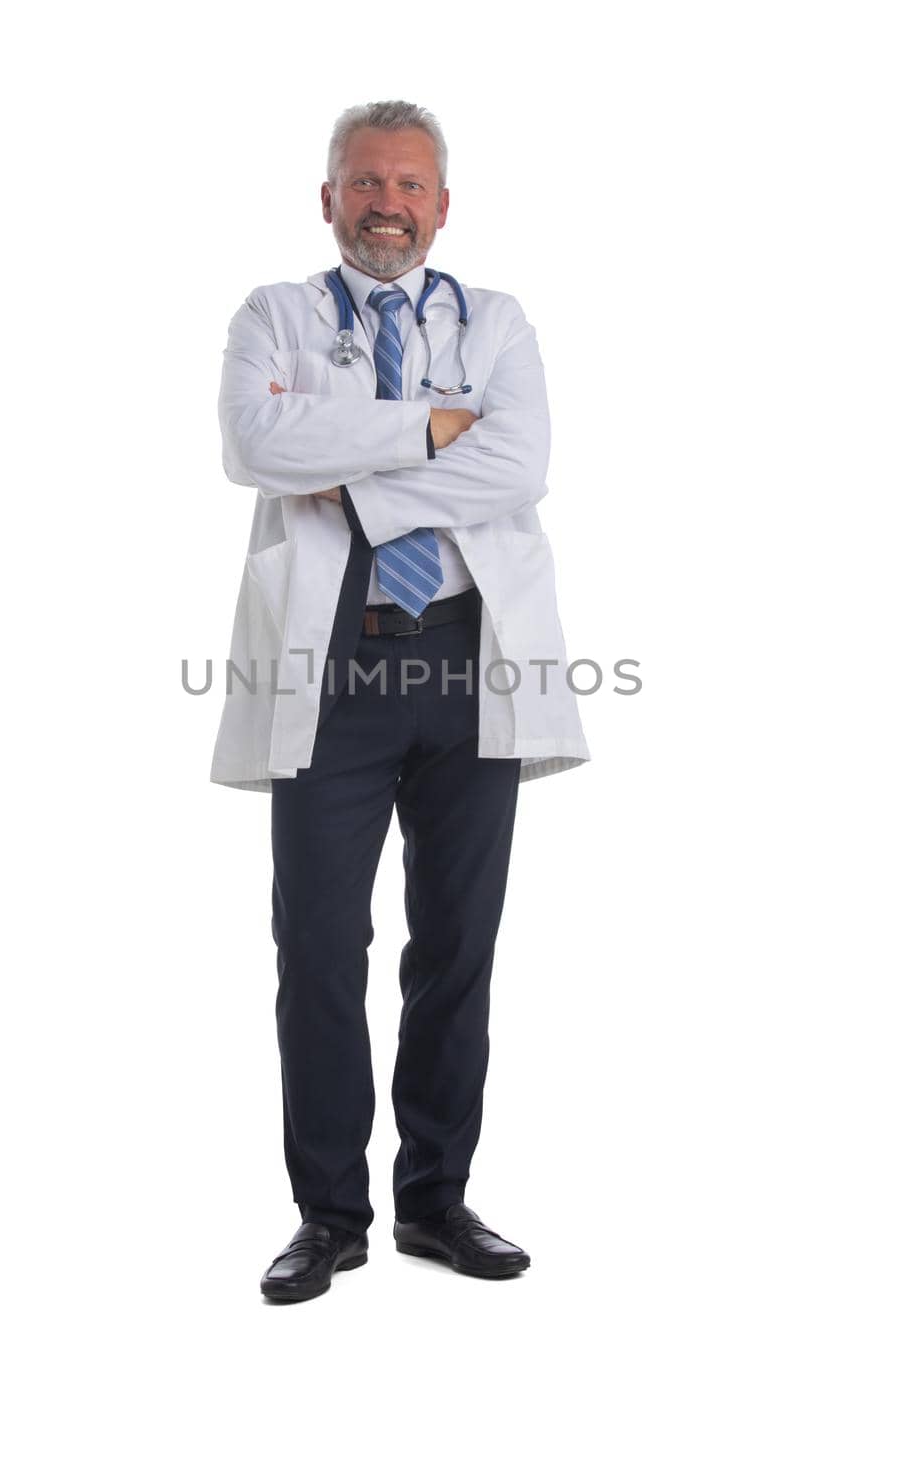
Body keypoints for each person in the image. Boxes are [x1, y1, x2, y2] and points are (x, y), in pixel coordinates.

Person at [210, 100, 590, 1303]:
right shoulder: (272, 314)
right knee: (318, 950)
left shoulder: (499, 320)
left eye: (409, 185)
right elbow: (255, 444)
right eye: (363, 181)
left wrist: (359, 478)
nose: (387, 203)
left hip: (469, 662)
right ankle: (329, 1216)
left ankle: (434, 1200)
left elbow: (518, 463)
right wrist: (429, 427)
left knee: (455, 951)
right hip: (332, 674)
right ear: (327, 200)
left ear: (442, 204)